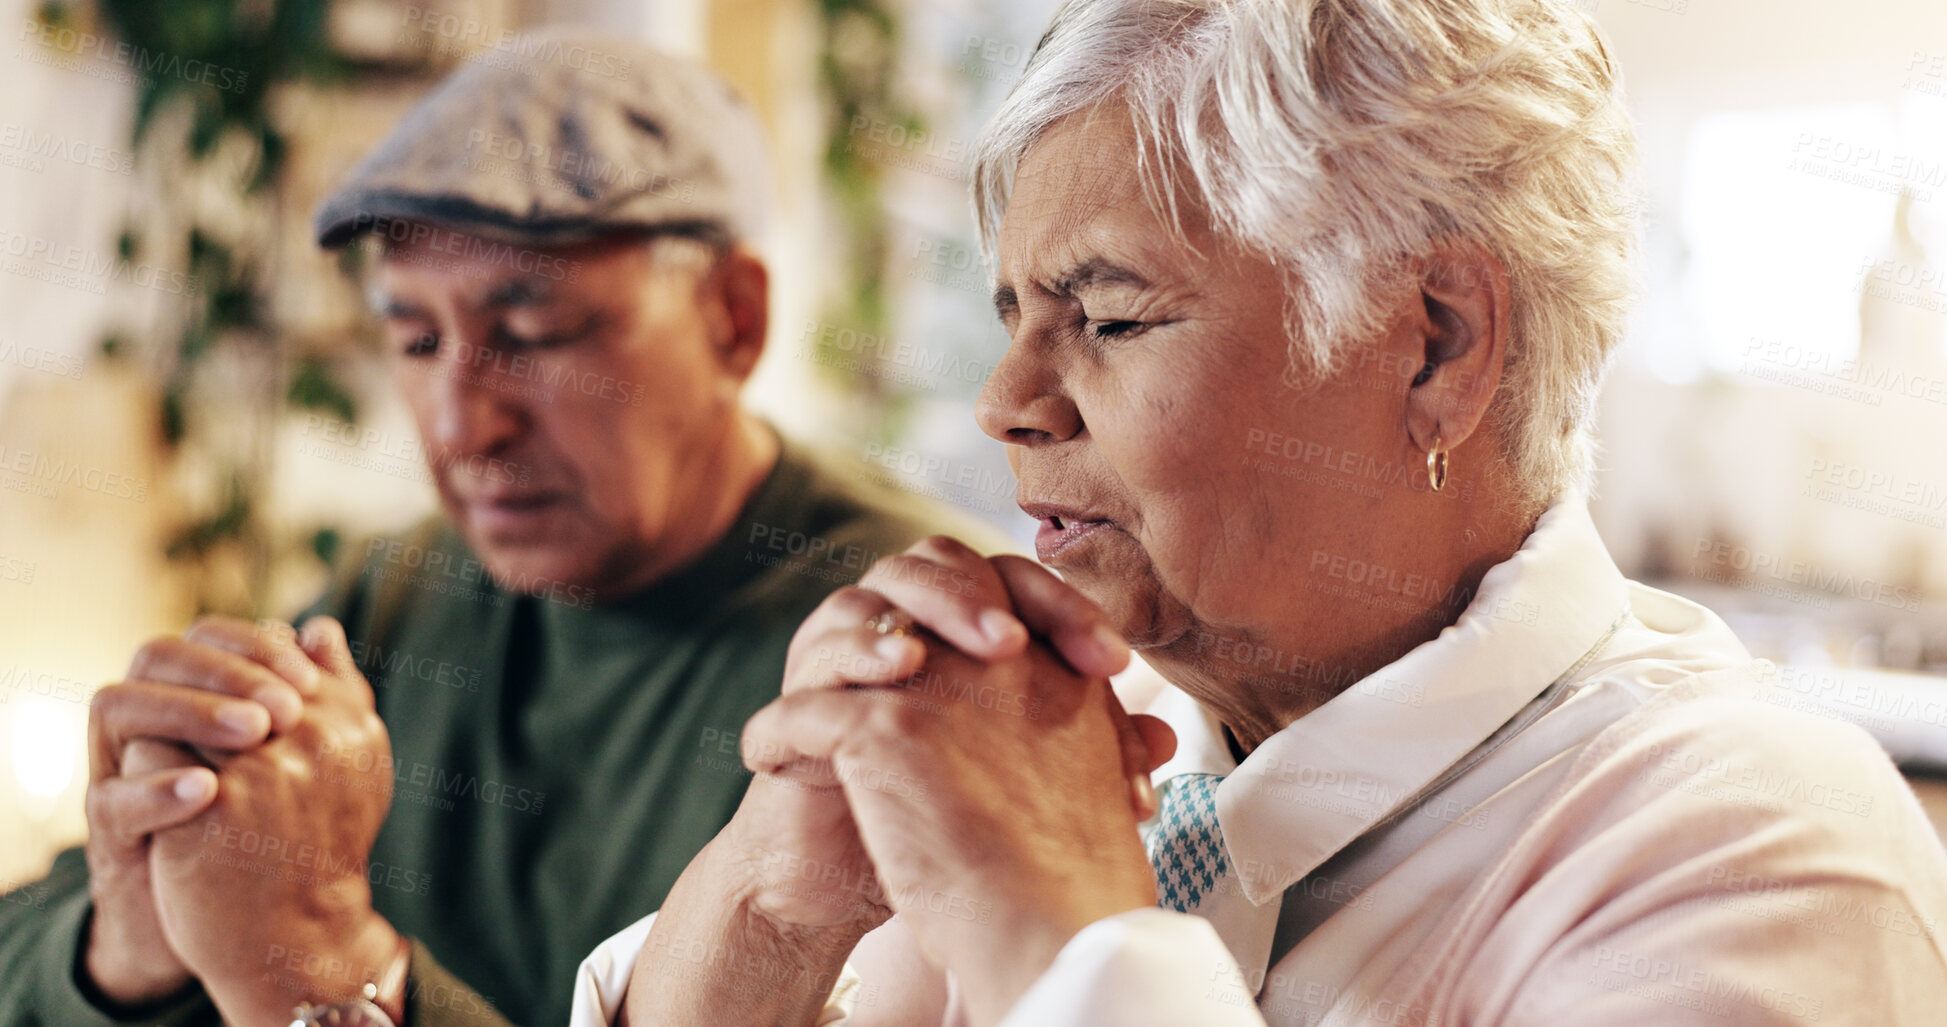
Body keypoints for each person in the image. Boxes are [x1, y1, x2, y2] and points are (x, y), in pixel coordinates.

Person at [573, 1, 1947, 1024]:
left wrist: (1062, 939)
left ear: (1434, 347)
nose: (1004, 400)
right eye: (1012, 316)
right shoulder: (1069, 743)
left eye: (1107, 316)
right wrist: (762, 904)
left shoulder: (1758, 847)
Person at [0, 29, 995, 1027]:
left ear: (733, 317)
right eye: (417, 339)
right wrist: (127, 944)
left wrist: (334, 960)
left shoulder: (916, 650)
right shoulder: (401, 593)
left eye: (533, 332)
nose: (460, 424)